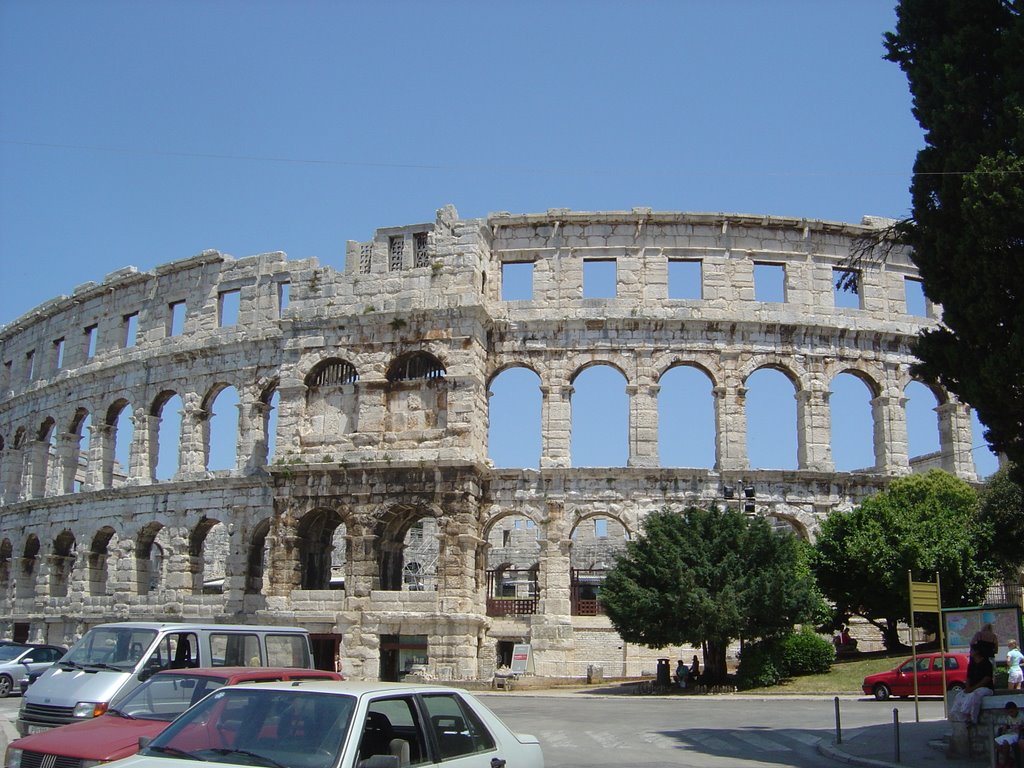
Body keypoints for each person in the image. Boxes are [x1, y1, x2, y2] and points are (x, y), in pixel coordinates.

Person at [949, 646, 995, 724]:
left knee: (974, 696)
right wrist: (967, 688)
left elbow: (987, 678)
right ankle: (955, 714)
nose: (970, 652)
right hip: (972, 688)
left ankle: (972, 717)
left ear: (977, 652)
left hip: (985, 688)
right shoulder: (972, 664)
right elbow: (968, 677)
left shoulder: (987, 664)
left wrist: (973, 688)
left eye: (971, 651)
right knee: (960, 695)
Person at [994, 701, 1023, 767]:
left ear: (1016, 709)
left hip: (1017, 734)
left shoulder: (1022, 716)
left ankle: (1005, 762)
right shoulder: (1008, 717)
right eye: (1009, 712)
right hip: (1009, 734)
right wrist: (1004, 728)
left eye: (1012, 712)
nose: (1011, 714)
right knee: (995, 742)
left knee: (1005, 743)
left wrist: (1020, 727)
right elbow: (1005, 726)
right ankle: (1008, 758)